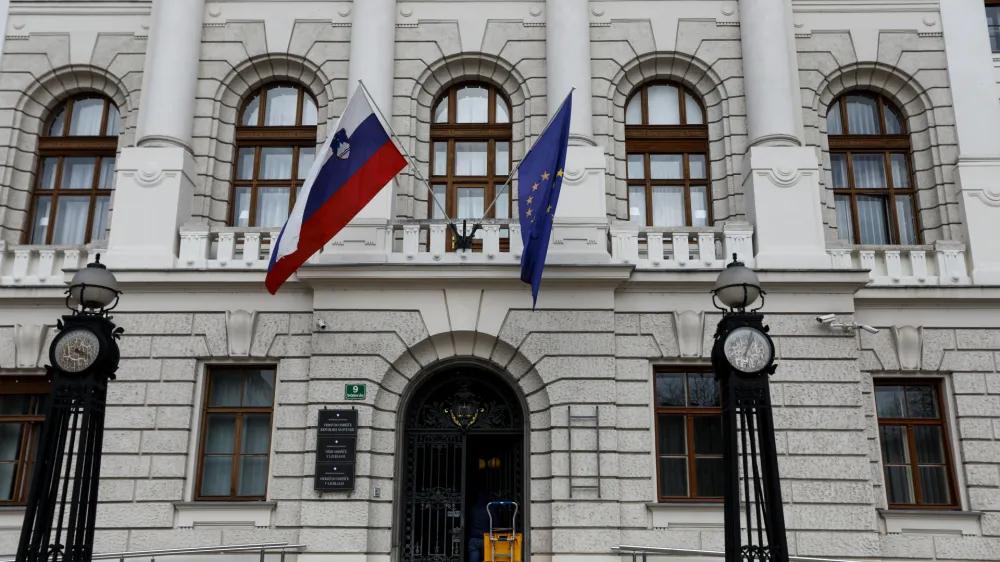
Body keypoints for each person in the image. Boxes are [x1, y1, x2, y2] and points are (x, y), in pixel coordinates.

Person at [467, 489, 489, 562]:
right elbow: (495, 524)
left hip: (473, 538)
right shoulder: (489, 509)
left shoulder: (472, 509)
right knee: (487, 559)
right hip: (486, 538)